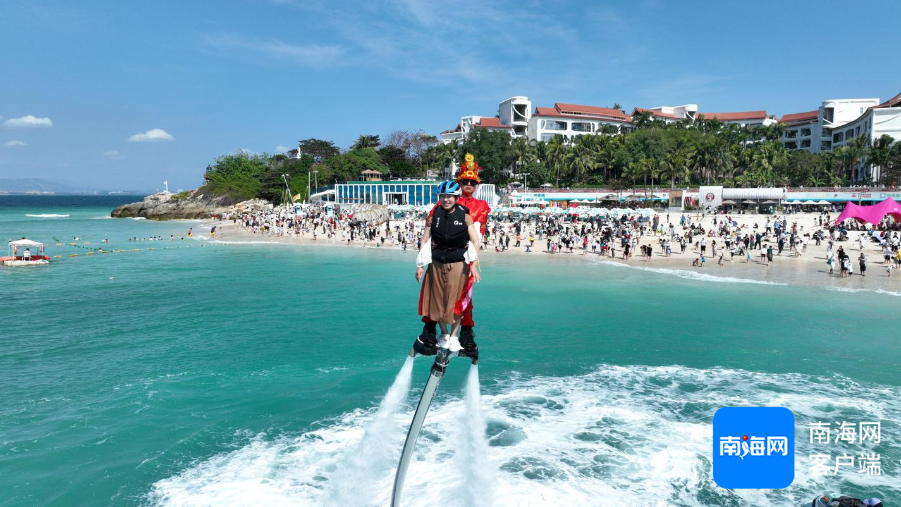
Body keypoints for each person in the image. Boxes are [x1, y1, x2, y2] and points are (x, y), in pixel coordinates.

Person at [416, 155, 490, 353]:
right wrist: (421, 261)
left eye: (472, 182)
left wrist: (473, 260)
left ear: (476, 185)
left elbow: (477, 235)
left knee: (463, 297)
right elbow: (428, 234)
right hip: (439, 256)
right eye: (464, 181)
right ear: (459, 183)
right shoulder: (438, 207)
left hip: (463, 256)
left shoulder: (480, 206)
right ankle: (431, 329)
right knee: (432, 294)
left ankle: (464, 333)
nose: (468, 184)